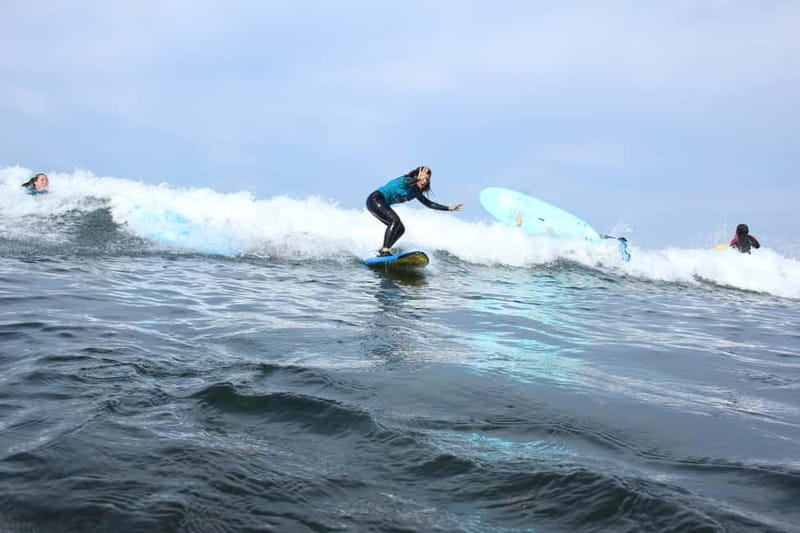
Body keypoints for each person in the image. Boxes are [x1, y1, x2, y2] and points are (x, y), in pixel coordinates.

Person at [366, 166, 462, 256]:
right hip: (375, 199)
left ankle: (384, 249)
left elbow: (430, 204)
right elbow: (408, 182)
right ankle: (385, 250)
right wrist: (418, 179)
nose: (425, 181)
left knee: (400, 229)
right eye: (423, 178)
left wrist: (449, 208)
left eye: (427, 180)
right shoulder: (405, 180)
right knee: (395, 221)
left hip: (381, 204)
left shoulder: (416, 192)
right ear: (416, 176)